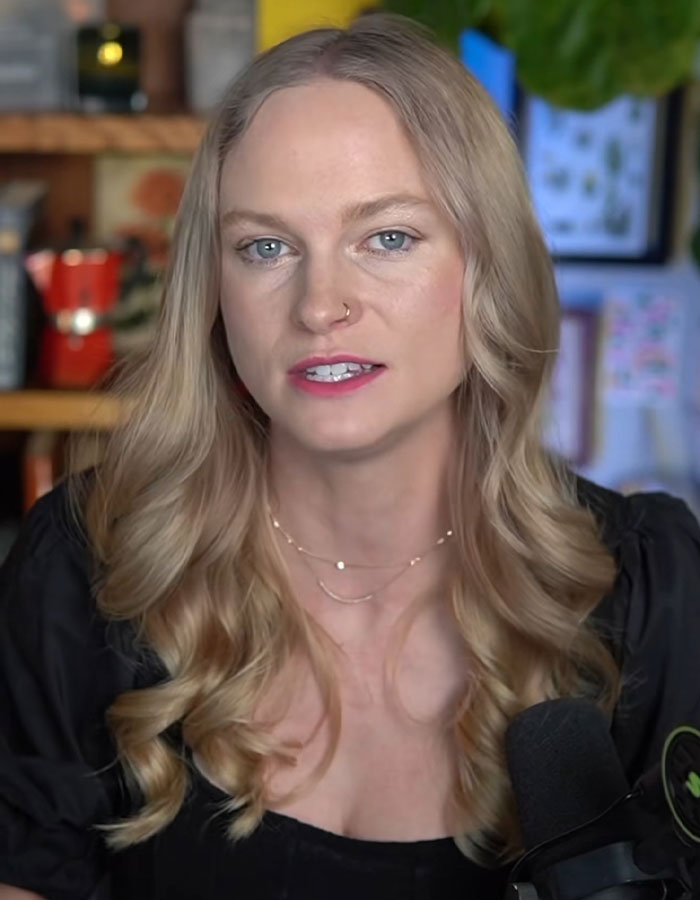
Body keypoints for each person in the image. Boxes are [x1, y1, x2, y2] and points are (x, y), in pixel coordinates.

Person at [1, 12, 699, 900]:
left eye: (388, 237)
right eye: (265, 247)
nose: (320, 303)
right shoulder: (89, 566)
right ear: (215, 294)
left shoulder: (651, 591)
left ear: (486, 267)